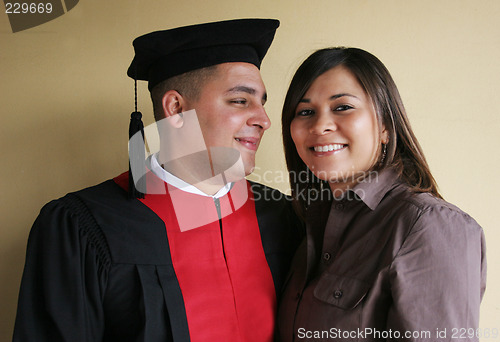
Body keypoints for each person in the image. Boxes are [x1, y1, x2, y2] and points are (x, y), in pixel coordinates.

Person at [13, 19, 303, 342]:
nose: (264, 120)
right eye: (240, 100)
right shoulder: (84, 228)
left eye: (262, 102)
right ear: (176, 109)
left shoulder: (280, 216)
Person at [278, 47, 486, 341]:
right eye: (305, 112)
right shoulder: (303, 224)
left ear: (386, 126)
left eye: (343, 107)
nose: (320, 125)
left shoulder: (430, 226)